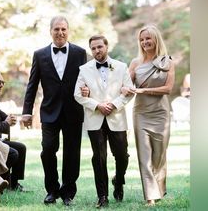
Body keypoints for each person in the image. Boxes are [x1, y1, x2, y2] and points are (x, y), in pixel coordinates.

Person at [21, 15, 87, 206]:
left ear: (68, 31)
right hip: (49, 111)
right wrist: (27, 111)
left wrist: (89, 92)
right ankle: (52, 190)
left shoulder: (79, 52)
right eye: (56, 29)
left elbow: (86, 79)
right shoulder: (39, 54)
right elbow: (32, 85)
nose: (60, 33)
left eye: (63, 29)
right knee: (48, 149)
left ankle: (68, 192)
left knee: (72, 153)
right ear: (50, 31)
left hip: (73, 111)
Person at [74, 35, 134, 208]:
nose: (96, 51)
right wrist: (97, 105)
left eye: (99, 47)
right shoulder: (84, 69)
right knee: (99, 158)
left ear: (106, 47)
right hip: (95, 120)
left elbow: (129, 92)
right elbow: (77, 94)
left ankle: (119, 180)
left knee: (122, 156)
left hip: (117, 118)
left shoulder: (121, 67)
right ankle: (102, 196)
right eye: (93, 48)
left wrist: (114, 105)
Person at [122, 24, 175, 206]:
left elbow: (168, 89)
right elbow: (127, 85)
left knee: (159, 155)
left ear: (156, 39)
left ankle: (160, 189)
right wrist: (124, 88)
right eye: (142, 39)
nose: (145, 42)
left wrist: (143, 91)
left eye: (148, 38)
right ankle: (150, 197)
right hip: (141, 114)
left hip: (161, 113)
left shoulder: (167, 61)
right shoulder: (135, 63)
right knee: (144, 156)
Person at [0, 70, 27, 192]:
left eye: (3, 82)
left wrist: (12, 119)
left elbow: (1, 116)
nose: (1, 85)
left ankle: (13, 184)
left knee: (21, 148)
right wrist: (6, 123)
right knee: (13, 153)